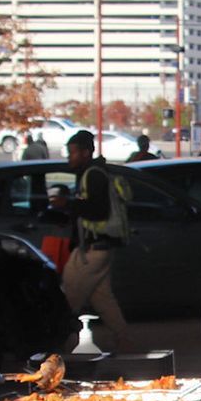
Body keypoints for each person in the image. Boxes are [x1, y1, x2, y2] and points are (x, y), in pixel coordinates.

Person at [60, 128, 131, 354]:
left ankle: (55, 342)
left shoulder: (93, 175)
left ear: (85, 153)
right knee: (102, 298)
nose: (69, 157)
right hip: (100, 247)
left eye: (72, 152)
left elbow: (97, 211)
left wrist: (68, 205)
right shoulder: (97, 173)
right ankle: (124, 340)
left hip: (92, 249)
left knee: (69, 293)